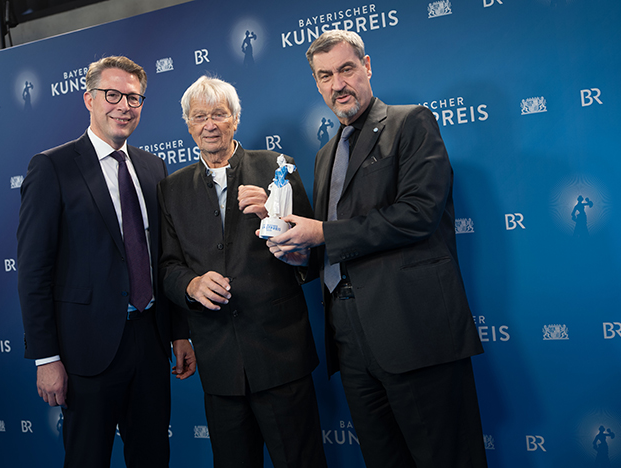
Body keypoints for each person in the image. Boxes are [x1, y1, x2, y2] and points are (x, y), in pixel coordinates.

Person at [266, 30, 487, 467]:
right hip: (349, 337)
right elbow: (332, 239)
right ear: (317, 83)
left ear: (366, 67)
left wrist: (323, 234)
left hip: (414, 328)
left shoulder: (411, 122)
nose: (338, 84)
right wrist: (301, 252)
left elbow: (418, 214)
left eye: (346, 69)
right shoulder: (325, 154)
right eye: (325, 76)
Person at [17, 56, 195, 468]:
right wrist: (46, 358)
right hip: (85, 352)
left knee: (153, 457)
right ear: (89, 99)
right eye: (112, 95)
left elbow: (165, 257)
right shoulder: (52, 167)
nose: (124, 106)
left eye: (134, 98)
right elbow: (33, 271)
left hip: (150, 342)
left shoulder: (153, 167)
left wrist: (179, 333)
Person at [158, 76, 327, 468]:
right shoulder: (171, 189)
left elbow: (313, 254)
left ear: (235, 119)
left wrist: (275, 215)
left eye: (219, 114)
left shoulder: (276, 167)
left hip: (281, 356)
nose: (209, 125)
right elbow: (167, 267)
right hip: (219, 364)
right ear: (188, 125)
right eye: (200, 117)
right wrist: (191, 285)